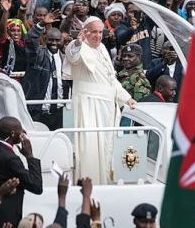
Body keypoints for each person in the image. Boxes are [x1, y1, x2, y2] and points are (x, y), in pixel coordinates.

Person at [66, 17, 136, 184]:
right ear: (85, 32)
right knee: (90, 148)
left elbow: (111, 80)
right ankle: (90, 184)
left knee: (106, 148)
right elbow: (72, 56)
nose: (98, 36)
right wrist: (78, 42)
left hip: (107, 108)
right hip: (89, 106)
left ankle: (105, 182)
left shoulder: (103, 48)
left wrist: (127, 98)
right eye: (94, 32)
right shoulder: (78, 46)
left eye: (100, 32)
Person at [0, 116, 42, 228]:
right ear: (13, 133)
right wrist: (30, 156)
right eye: (20, 130)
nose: (23, 132)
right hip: (7, 218)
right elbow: (36, 185)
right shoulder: (11, 159)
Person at [23, 16, 66, 130]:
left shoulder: (65, 60)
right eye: (51, 39)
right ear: (45, 39)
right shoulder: (38, 56)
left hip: (59, 113)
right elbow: (30, 41)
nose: (54, 43)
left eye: (57, 40)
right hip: (38, 111)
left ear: (62, 40)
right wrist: (41, 24)